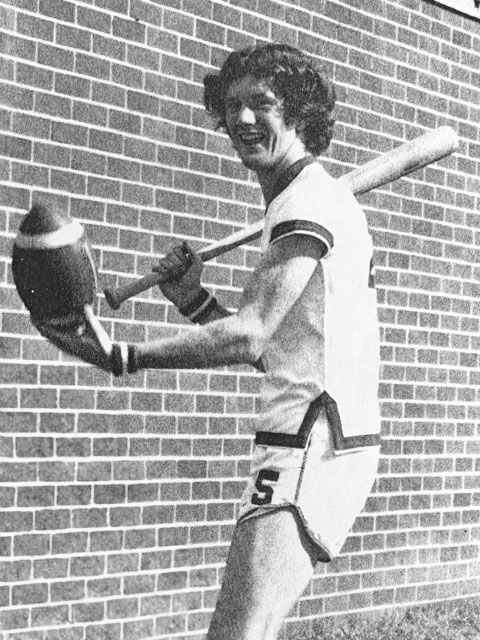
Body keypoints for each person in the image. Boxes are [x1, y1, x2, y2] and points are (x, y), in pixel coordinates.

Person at [35, 44, 382, 640]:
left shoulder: (310, 200)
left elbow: (249, 335)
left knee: (238, 634)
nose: (244, 120)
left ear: (298, 113)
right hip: (308, 434)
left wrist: (123, 356)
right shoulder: (300, 200)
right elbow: (280, 350)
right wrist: (191, 298)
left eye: (262, 104)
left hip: (313, 442)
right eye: (233, 107)